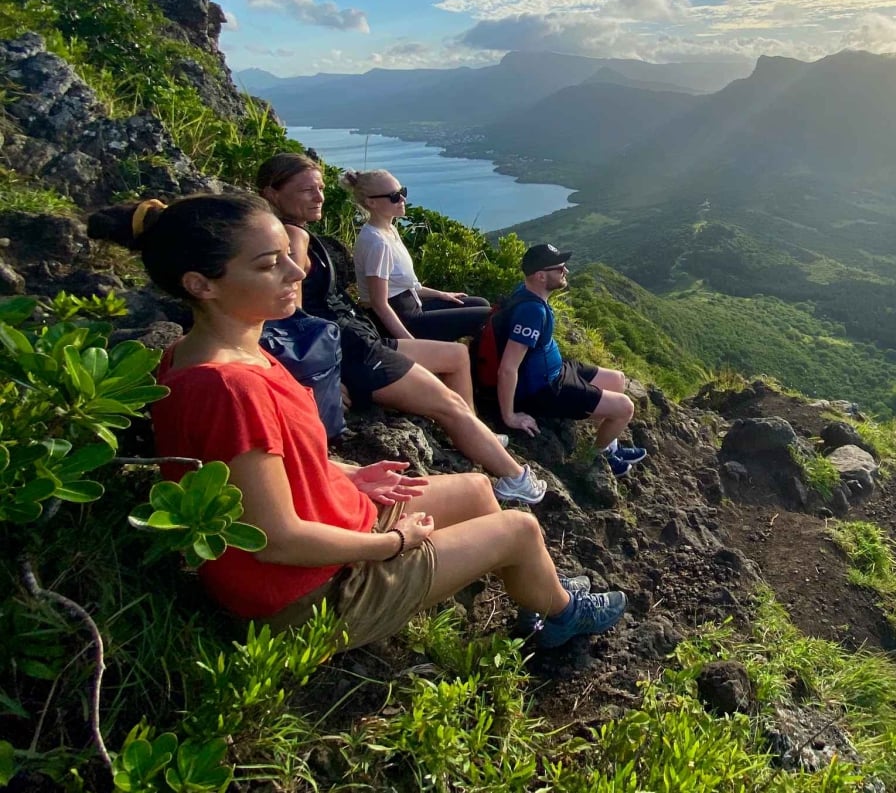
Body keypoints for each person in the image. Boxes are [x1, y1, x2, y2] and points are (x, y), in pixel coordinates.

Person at [89, 193, 626, 650]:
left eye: (287, 256)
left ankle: (516, 586)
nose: (297, 271)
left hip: (329, 535)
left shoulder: (227, 350)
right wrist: (392, 546)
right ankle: (558, 618)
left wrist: (343, 476)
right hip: (307, 596)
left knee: (478, 490)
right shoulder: (229, 386)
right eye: (268, 263)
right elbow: (275, 538)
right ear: (201, 284)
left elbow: (267, 469)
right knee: (520, 527)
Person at [255, 153, 545, 506]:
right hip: (353, 349)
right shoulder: (293, 238)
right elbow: (291, 317)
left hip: (358, 337)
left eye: (320, 188)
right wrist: (322, 377)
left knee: (454, 356)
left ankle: (477, 436)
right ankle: (515, 479)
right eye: (306, 190)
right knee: (448, 404)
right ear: (272, 193)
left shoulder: (297, 233)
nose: (319, 197)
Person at [479, 243, 647, 476]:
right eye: (559, 268)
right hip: (546, 389)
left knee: (617, 379)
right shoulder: (531, 312)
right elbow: (508, 368)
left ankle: (610, 448)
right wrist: (510, 416)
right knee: (625, 408)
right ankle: (594, 458)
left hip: (557, 370)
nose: (565, 271)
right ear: (540, 276)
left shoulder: (527, 292)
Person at [342, 169, 491, 343]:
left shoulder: (389, 231)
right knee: (485, 316)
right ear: (371, 203)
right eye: (394, 196)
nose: (403, 199)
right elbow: (379, 304)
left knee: (481, 303)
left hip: (412, 306)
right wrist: (414, 345)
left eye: (402, 192)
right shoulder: (378, 243)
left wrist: (441, 294)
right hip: (402, 320)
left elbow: (401, 286)